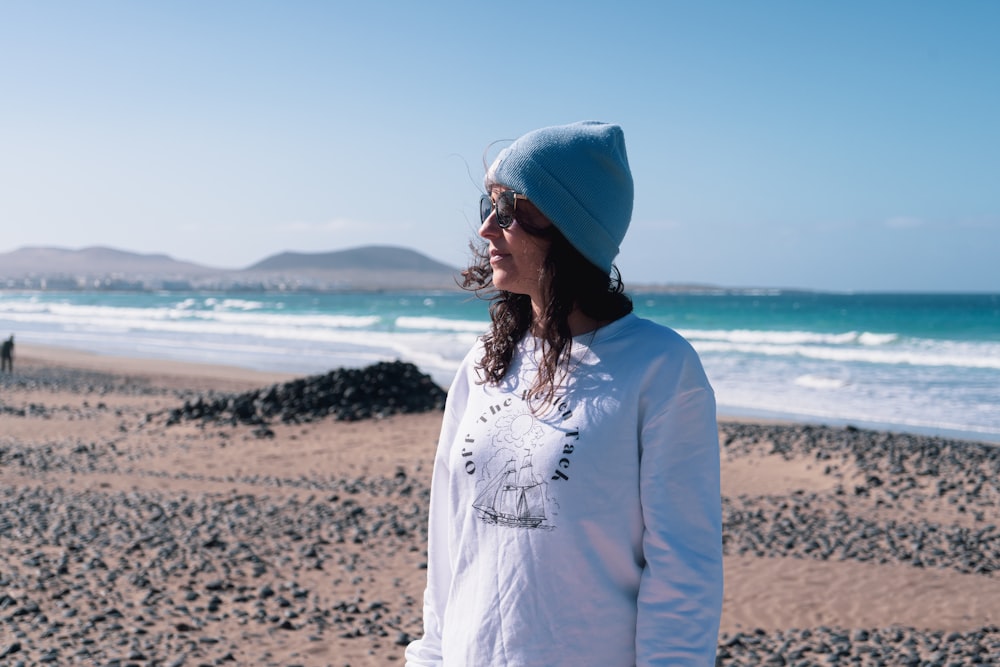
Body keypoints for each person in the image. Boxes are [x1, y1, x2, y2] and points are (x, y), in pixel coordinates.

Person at [405, 121, 723, 666]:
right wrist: (429, 657)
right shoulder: (483, 362)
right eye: (488, 204)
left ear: (571, 228)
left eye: (509, 210)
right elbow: (448, 543)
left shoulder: (660, 368)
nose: (486, 227)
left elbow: (683, 571)